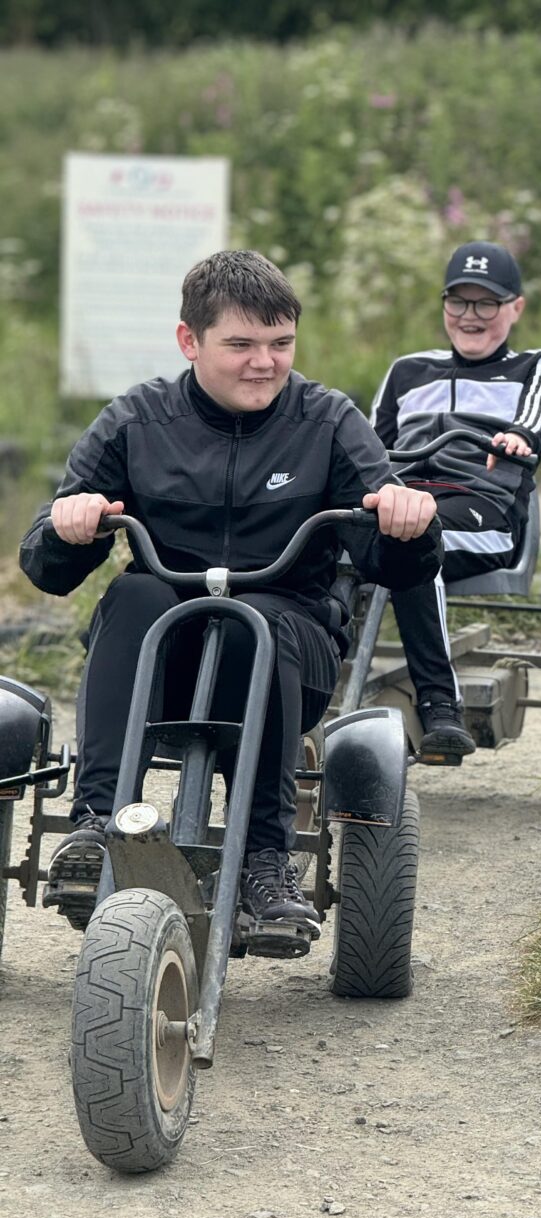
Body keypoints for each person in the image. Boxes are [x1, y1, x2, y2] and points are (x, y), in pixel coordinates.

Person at [19, 250, 440, 941]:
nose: (264, 362)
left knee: (259, 620)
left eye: (280, 345)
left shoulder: (328, 421)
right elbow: (47, 567)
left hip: (287, 647)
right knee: (136, 596)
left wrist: (403, 521)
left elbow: (393, 563)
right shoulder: (136, 419)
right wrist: (72, 525)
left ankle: (263, 863)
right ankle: (97, 824)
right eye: (240, 344)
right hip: (164, 656)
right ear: (190, 341)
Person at [370, 240, 541, 760]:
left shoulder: (533, 366)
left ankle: (440, 708)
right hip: (403, 497)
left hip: (480, 507)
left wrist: (521, 436)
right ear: (444, 305)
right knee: (332, 534)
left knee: (415, 533)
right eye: (459, 302)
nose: (470, 316)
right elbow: (367, 447)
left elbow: (539, 414)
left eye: (487, 303)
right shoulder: (406, 370)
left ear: (515, 307)